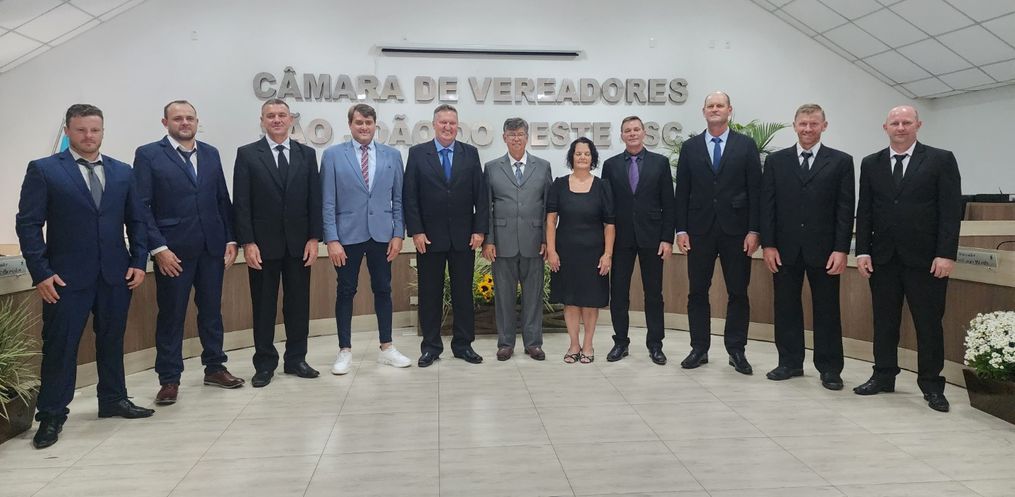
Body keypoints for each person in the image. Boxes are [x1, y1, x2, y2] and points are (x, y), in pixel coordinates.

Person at [16, 104, 153, 449]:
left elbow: (137, 220)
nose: (88, 136)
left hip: (115, 275)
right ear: (68, 131)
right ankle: (51, 414)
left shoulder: (122, 172)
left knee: (112, 339)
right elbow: (29, 224)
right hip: (64, 279)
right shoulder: (45, 170)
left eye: (95, 130)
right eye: (81, 130)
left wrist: (139, 261)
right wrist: (41, 273)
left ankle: (113, 399)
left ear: (102, 131)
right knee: (60, 346)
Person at [133, 100, 244, 405]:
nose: (185, 123)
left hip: (211, 248)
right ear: (165, 122)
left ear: (197, 122)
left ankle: (215, 367)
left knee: (211, 312)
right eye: (178, 118)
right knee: (172, 315)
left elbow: (222, 199)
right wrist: (159, 248)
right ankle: (169, 379)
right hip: (173, 253)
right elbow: (141, 207)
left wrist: (231, 239)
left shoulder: (210, 153)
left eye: (190, 118)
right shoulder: (149, 154)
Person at [853, 105, 961, 412]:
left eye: (906, 122)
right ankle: (883, 375)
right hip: (883, 259)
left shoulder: (940, 159)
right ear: (885, 127)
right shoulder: (871, 163)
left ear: (918, 125)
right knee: (884, 322)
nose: (900, 127)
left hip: (926, 261)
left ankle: (932, 385)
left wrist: (945, 253)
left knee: (928, 324)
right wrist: (862, 250)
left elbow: (950, 211)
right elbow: (866, 210)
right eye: (895, 123)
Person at [760, 103, 854, 390]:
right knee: (785, 307)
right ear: (794, 126)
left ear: (824, 126)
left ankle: (830, 368)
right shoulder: (776, 161)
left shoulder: (841, 161)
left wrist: (841, 249)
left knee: (827, 310)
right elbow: (768, 206)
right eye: (803, 123)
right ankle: (789, 362)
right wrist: (768, 245)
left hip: (825, 251)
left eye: (814, 124)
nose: (808, 129)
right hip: (784, 249)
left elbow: (845, 208)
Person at [233, 98, 323, 387]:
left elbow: (314, 199)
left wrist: (314, 238)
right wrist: (247, 242)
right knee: (264, 307)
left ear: (290, 119)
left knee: (298, 305)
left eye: (281, 115)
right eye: (270, 115)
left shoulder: (307, 154)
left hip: (299, 245)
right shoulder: (247, 154)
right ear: (262, 121)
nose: (276, 120)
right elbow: (241, 203)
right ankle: (264, 364)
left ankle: (296, 359)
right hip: (262, 246)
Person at [674, 91, 762, 375]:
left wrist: (754, 230)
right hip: (699, 231)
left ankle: (736, 350)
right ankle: (699, 348)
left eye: (720, 105)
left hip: (737, 231)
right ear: (704, 112)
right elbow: (682, 191)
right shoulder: (690, 147)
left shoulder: (746, 145)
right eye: (710, 106)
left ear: (729, 110)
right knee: (697, 291)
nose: (715, 109)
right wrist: (681, 229)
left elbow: (756, 191)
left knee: (738, 292)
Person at [321, 103, 412, 374]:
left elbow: (399, 199)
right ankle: (344, 350)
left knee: (383, 289)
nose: (364, 127)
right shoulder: (332, 155)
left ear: (375, 125)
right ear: (350, 125)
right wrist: (332, 239)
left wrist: (398, 234)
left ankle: (387, 347)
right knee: (345, 291)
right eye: (359, 122)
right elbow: (327, 201)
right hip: (346, 236)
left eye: (368, 122)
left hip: (382, 235)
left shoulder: (392, 155)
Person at [403, 104, 489, 367]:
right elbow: (410, 196)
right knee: (430, 294)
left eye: (452, 123)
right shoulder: (418, 154)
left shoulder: (470, 154)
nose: (448, 127)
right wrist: (416, 231)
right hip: (428, 238)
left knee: (463, 294)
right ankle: (430, 347)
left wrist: (479, 230)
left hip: (464, 238)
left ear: (457, 125)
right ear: (434, 125)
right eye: (443, 122)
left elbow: (480, 196)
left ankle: (463, 345)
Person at [601, 116, 675, 365]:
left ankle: (655, 345)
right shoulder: (610, 165)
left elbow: (669, 203)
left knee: (653, 294)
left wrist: (667, 238)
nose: (632, 134)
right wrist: (606, 243)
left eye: (636, 129)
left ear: (644, 133)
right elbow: (607, 206)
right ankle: (620, 343)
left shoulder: (660, 163)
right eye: (627, 130)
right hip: (621, 239)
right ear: (621, 136)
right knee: (618, 293)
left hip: (652, 238)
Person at [482, 118, 553, 361]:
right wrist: (489, 240)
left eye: (520, 134)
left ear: (526, 137)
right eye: (511, 134)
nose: (516, 138)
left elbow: (548, 207)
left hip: (535, 241)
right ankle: (506, 343)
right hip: (502, 243)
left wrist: (546, 239)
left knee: (534, 296)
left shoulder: (543, 167)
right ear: (504, 138)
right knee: (503, 296)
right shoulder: (492, 168)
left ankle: (533, 343)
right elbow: (486, 207)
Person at [546, 137, 615, 364]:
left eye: (587, 153)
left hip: (594, 254)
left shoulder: (602, 186)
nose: (582, 157)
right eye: (578, 153)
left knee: (590, 301)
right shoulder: (559, 184)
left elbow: (609, 224)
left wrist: (607, 254)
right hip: (566, 253)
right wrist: (552, 251)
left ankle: (588, 345)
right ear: (571, 157)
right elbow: (551, 221)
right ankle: (574, 344)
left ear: (592, 158)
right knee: (571, 301)